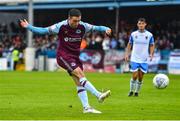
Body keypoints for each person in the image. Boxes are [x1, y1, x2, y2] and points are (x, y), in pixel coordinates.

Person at [20, 9, 111, 113]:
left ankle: (86, 108)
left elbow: (97, 27)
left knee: (79, 81)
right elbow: (43, 31)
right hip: (63, 56)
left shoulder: (83, 26)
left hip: (75, 57)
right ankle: (98, 95)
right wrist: (28, 26)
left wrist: (106, 28)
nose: (77, 23)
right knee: (80, 74)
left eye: (79, 20)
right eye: (74, 21)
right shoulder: (60, 26)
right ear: (69, 19)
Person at [125, 18, 155, 97]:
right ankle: (131, 91)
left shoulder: (149, 35)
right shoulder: (133, 34)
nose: (141, 25)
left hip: (144, 59)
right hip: (134, 58)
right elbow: (129, 44)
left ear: (145, 24)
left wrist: (151, 54)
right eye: (139, 24)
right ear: (137, 25)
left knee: (140, 77)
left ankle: (136, 92)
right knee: (134, 76)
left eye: (142, 24)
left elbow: (152, 45)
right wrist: (127, 54)